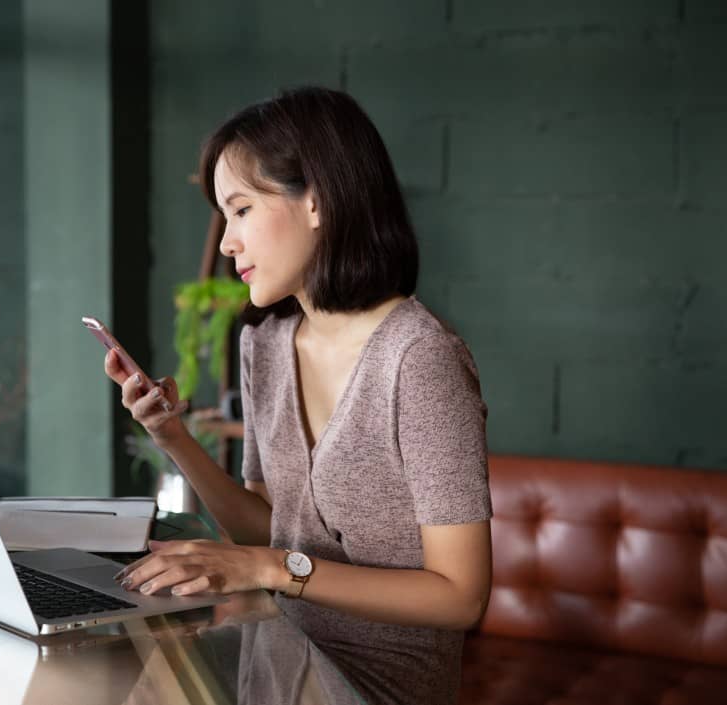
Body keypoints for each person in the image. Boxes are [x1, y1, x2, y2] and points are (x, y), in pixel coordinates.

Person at [105, 86, 492, 705]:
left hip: (375, 690)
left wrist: (272, 570)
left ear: (317, 201)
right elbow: (266, 530)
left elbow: (462, 595)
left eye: (241, 210)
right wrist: (171, 436)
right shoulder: (265, 345)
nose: (228, 242)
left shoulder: (419, 359)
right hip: (277, 663)